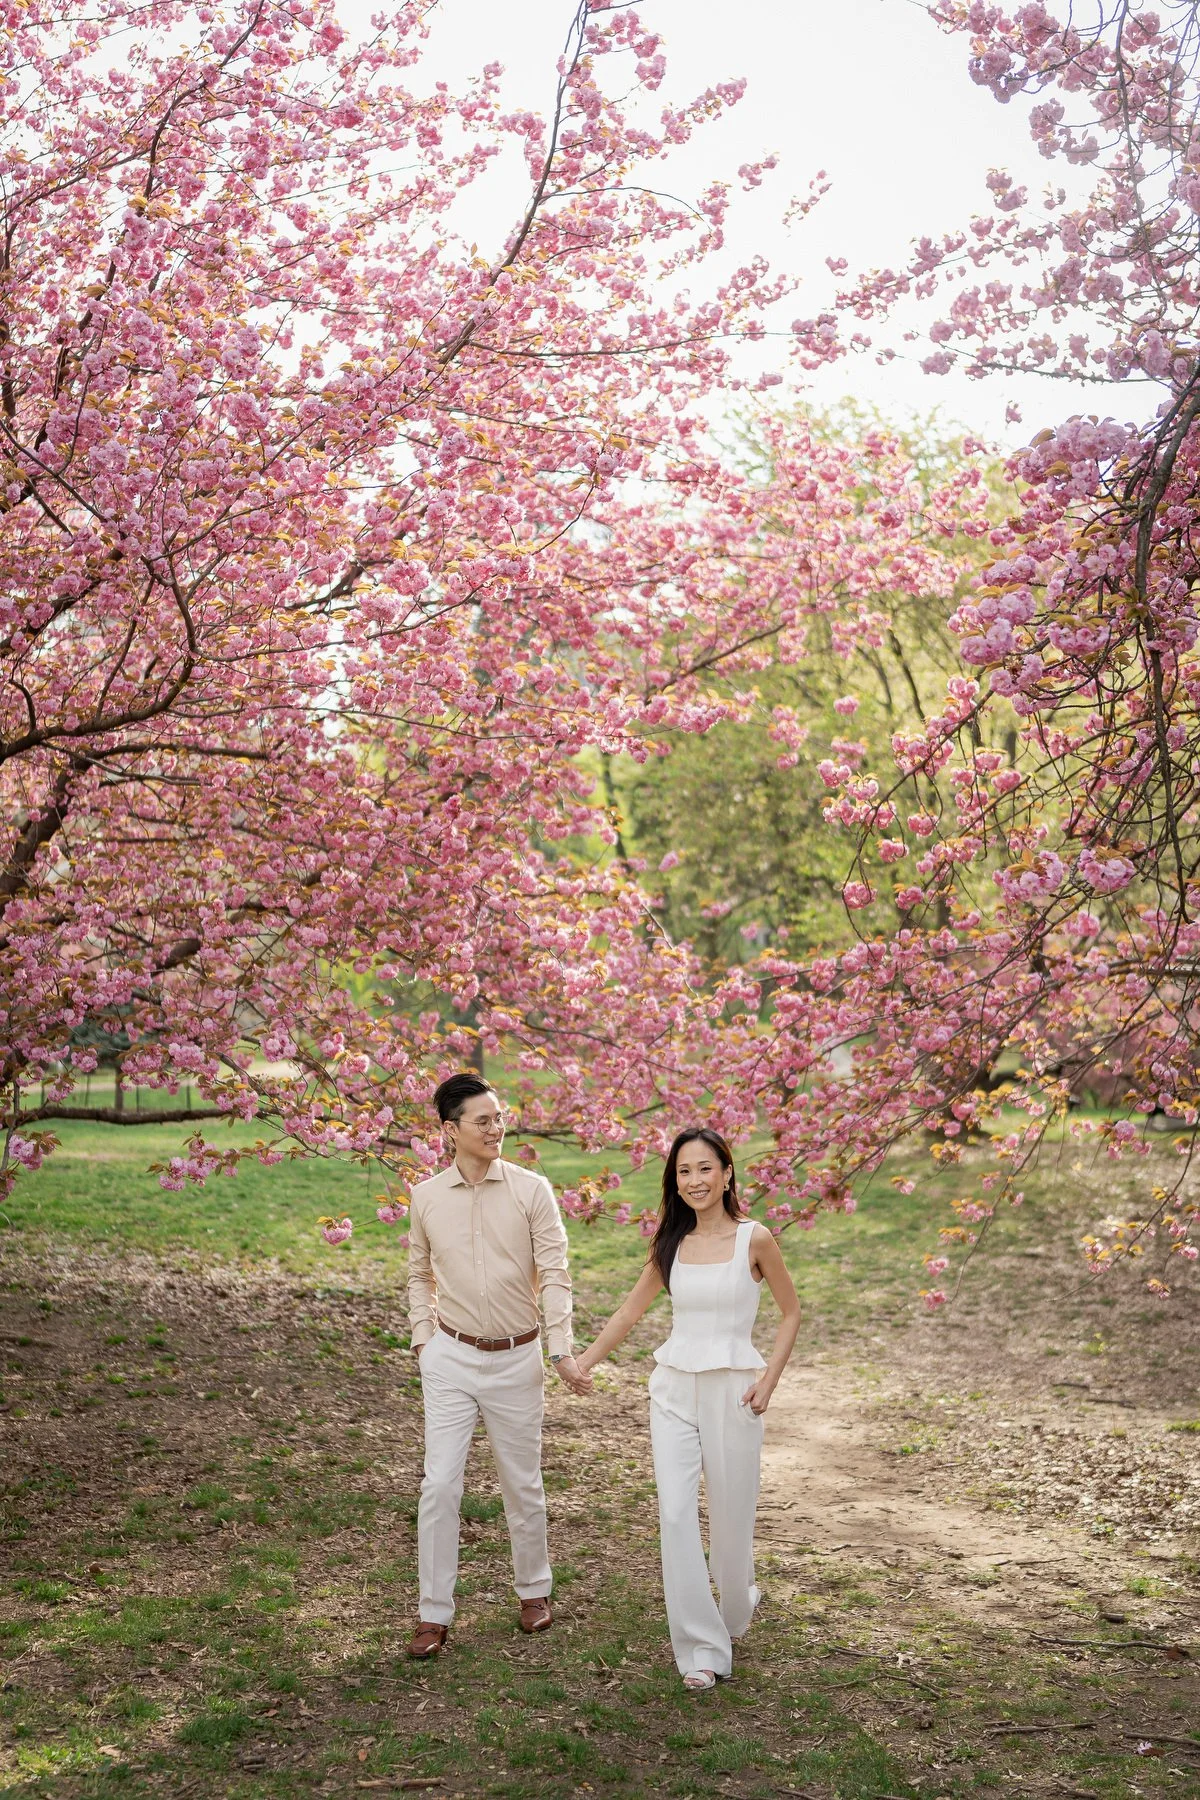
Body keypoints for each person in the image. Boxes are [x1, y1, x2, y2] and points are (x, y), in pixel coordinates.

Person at [576, 1128, 800, 1692]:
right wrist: (584, 1362)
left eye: (705, 1169)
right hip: (672, 1390)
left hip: (735, 1392)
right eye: (683, 1172)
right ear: (674, 1182)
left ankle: (736, 1600)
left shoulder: (756, 1239)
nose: (694, 1181)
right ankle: (702, 1649)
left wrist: (767, 1382)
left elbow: (791, 1313)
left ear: (727, 1173)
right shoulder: (670, 1242)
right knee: (676, 1513)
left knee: (730, 1521)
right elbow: (630, 1311)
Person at [404, 1071, 591, 1660]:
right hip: (450, 1357)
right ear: (449, 1130)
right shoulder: (426, 1196)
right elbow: (417, 1273)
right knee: (439, 1486)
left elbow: (557, 1272)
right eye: (482, 1120)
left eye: (499, 1117)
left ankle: (534, 1590)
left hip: (518, 1358)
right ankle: (434, 1612)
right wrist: (422, 1339)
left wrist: (560, 1349)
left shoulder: (533, 1189)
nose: (496, 1128)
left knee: (522, 1482)